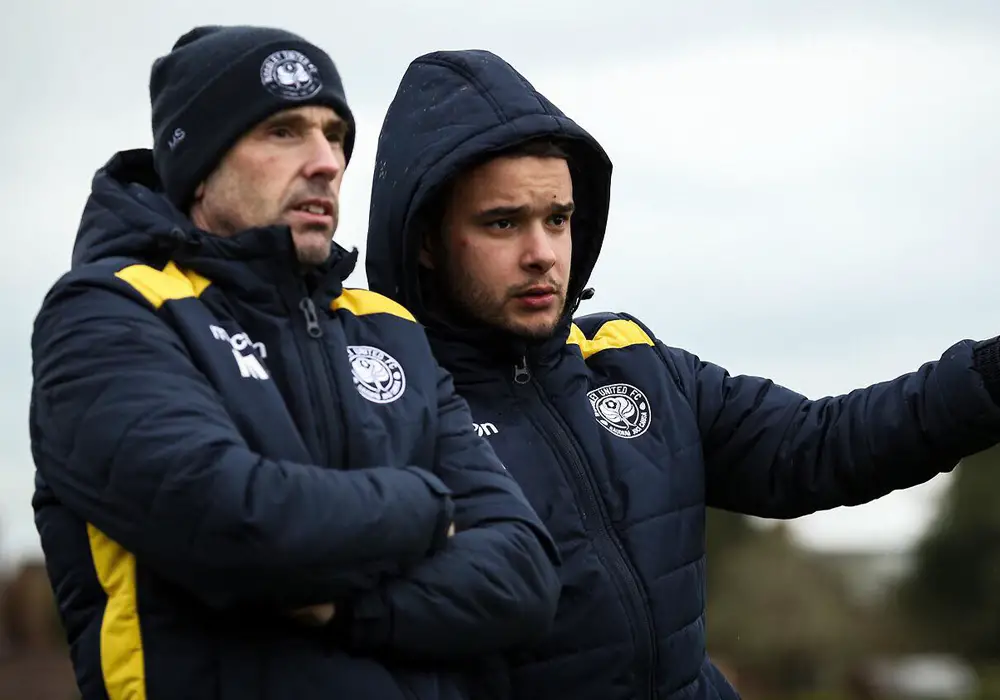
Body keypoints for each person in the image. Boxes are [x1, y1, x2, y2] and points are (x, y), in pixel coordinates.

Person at [364, 48, 1000, 700]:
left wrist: (990, 376)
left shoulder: (629, 357)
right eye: (503, 223)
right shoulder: (381, 407)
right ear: (424, 238)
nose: (542, 254)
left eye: (558, 219)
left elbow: (821, 444)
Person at [29, 29, 561, 700]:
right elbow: (233, 524)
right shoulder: (110, 313)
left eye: (335, 136)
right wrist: (428, 507)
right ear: (199, 164)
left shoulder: (388, 329)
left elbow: (525, 573)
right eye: (283, 132)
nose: (326, 162)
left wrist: (350, 608)